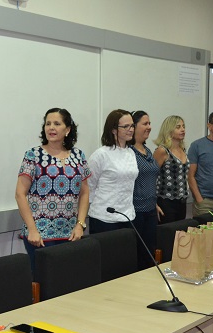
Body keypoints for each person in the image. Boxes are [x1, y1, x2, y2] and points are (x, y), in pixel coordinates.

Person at [16, 107, 91, 276]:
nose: (51, 127)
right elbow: (20, 194)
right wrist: (32, 229)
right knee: (44, 283)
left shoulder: (79, 155)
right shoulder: (33, 155)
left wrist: (80, 225)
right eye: (48, 123)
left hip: (71, 235)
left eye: (57, 123)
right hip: (40, 237)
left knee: (66, 282)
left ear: (68, 129)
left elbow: (85, 192)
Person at [87, 109, 138, 234]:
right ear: (113, 129)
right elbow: (89, 186)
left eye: (132, 125)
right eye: (126, 126)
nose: (131, 129)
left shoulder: (130, 152)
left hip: (127, 216)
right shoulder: (101, 154)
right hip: (104, 218)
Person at [128, 110, 160, 270]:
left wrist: (154, 203)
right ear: (134, 127)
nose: (149, 127)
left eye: (149, 123)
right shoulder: (128, 152)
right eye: (145, 123)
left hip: (150, 210)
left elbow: (151, 179)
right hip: (135, 212)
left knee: (150, 256)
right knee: (138, 257)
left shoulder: (148, 151)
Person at [154, 115, 190, 223]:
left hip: (182, 201)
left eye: (183, 126)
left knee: (179, 235)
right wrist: (153, 203)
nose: (182, 130)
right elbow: (151, 177)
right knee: (168, 235)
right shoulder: (162, 151)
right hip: (166, 201)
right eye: (178, 127)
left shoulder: (183, 149)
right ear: (169, 130)